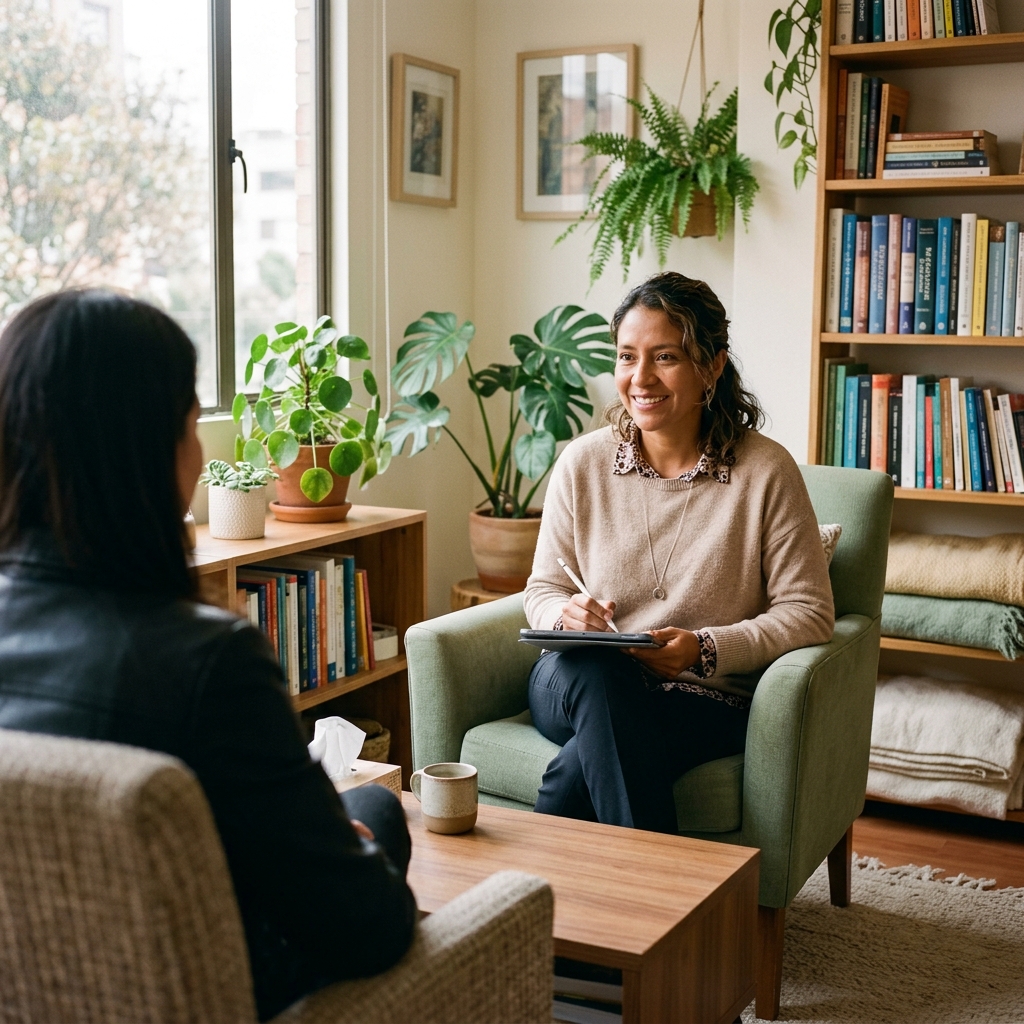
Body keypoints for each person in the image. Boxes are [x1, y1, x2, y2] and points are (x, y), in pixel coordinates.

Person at [0, 290, 416, 1021]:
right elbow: (372, 930)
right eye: (193, 424)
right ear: (150, 450)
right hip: (197, 986)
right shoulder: (208, 660)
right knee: (377, 815)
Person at [523, 271, 835, 834]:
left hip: (701, 698)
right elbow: (543, 590)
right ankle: (663, 908)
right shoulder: (582, 463)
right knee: (601, 675)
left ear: (711, 366)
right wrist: (564, 615)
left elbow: (810, 612)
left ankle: (558, 901)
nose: (640, 378)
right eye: (625, 357)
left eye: (664, 357)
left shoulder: (766, 472)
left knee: (581, 767)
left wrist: (704, 650)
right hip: (574, 678)